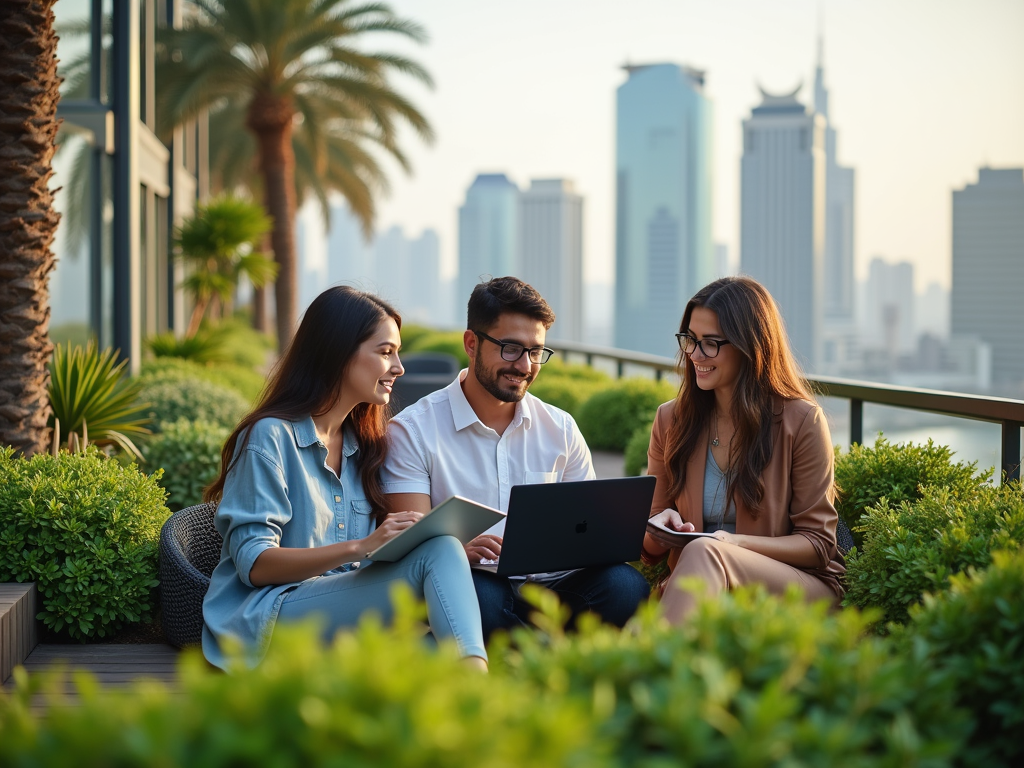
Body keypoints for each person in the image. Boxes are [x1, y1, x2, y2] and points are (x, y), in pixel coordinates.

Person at [202, 287, 487, 671]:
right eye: (386, 352)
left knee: (438, 644)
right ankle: (481, 696)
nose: (399, 367)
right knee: (438, 557)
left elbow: (356, 573)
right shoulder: (269, 437)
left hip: (340, 615)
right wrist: (362, 547)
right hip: (271, 618)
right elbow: (256, 565)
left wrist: (430, 554)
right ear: (338, 352)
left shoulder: (362, 446)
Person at [382, 276, 650, 640]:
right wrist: (456, 549)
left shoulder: (561, 428)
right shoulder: (413, 430)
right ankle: (545, 661)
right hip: (475, 581)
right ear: (471, 343)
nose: (524, 365)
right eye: (510, 348)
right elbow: (410, 542)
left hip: (555, 586)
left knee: (625, 587)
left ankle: (535, 652)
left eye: (536, 351)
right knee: (477, 598)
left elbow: (590, 526)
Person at [641, 276, 845, 623]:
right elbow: (651, 551)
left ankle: (652, 667)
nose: (694, 354)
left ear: (749, 347)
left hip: (794, 586)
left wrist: (733, 544)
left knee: (706, 550)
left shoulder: (802, 421)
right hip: (699, 584)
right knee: (703, 553)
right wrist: (658, 527)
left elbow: (818, 545)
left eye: (711, 343)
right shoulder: (671, 419)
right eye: (689, 339)